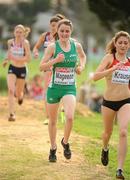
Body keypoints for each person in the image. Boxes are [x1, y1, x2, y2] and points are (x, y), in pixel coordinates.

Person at [40, 19, 86, 162]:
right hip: (54, 88)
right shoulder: (52, 47)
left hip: (69, 87)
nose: (64, 33)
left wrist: (81, 67)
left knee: (70, 117)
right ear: (57, 32)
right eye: (62, 31)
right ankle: (53, 148)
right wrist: (55, 61)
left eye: (67, 31)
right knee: (53, 121)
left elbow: (83, 57)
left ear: (70, 32)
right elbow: (41, 67)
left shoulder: (76, 46)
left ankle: (65, 142)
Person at [92, 31, 130, 179]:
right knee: (107, 133)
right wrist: (112, 69)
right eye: (120, 42)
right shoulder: (109, 58)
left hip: (126, 101)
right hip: (108, 102)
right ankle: (105, 148)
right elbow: (95, 77)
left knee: (123, 132)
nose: (122, 45)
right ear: (115, 43)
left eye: (125, 43)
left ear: (128, 45)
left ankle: (119, 169)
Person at [33, 14, 65, 124]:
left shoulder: (62, 37)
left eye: (56, 25)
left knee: (59, 89)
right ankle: (47, 116)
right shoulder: (45, 35)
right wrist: (36, 52)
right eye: (52, 25)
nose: (54, 28)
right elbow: (36, 47)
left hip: (59, 67)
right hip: (47, 66)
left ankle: (62, 109)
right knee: (46, 90)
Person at [3, 24, 31, 121]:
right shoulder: (10, 42)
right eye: (17, 32)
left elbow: (29, 58)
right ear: (14, 33)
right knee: (11, 90)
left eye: (20, 32)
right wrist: (6, 60)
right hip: (12, 68)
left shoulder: (25, 43)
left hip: (22, 69)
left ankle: (20, 97)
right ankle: (11, 114)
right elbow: (9, 53)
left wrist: (17, 59)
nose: (18, 34)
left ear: (23, 33)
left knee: (19, 93)